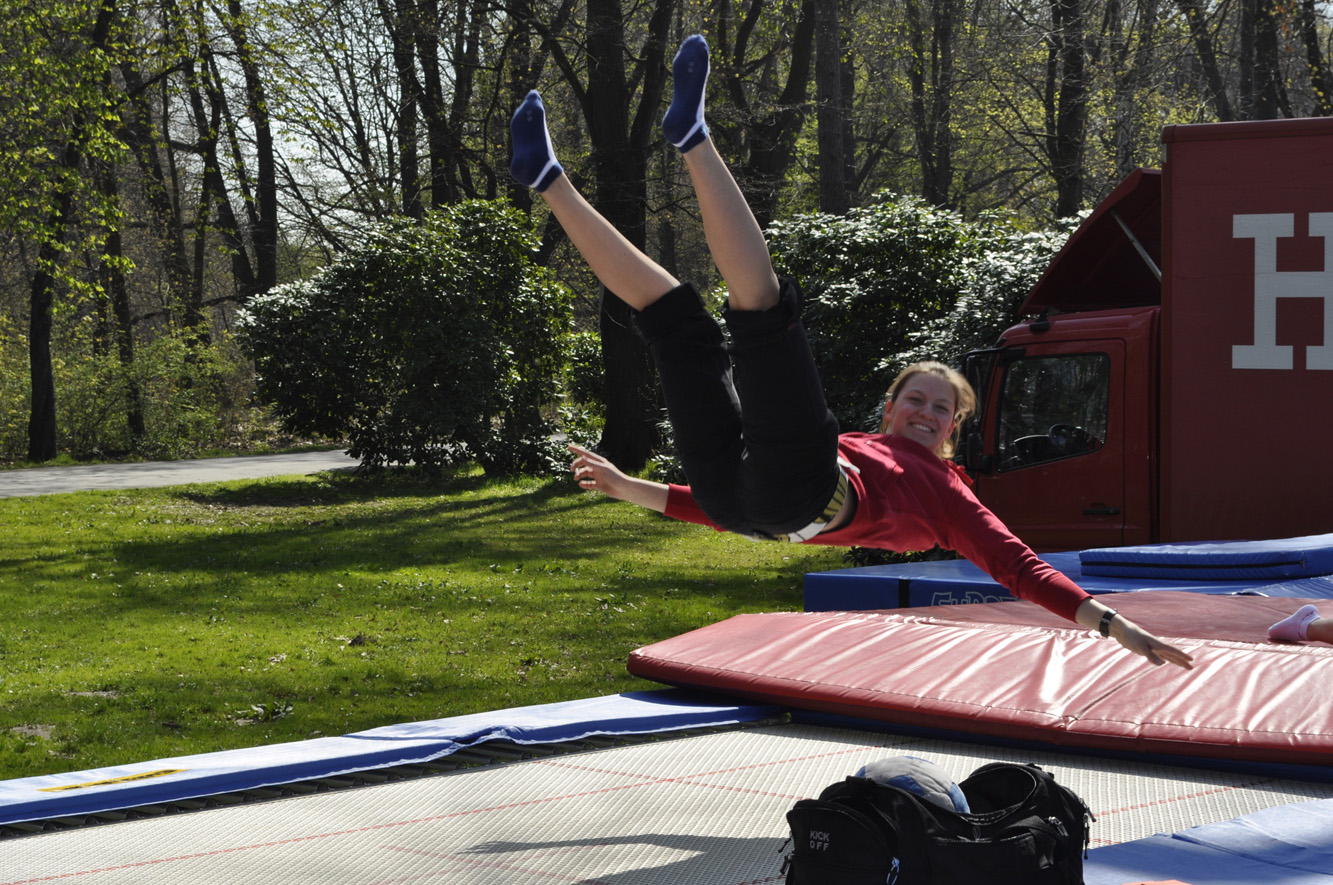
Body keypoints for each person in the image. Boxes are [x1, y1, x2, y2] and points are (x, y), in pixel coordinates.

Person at [510, 35, 1193, 670]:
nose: (926, 412)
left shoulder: (950, 496)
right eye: (916, 399)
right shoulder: (864, 445)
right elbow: (729, 501)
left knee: (765, 314)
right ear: (890, 408)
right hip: (742, 502)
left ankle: (693, 138)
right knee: (675, 319)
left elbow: (1018, 566)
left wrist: (1107, 622)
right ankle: (545, 177)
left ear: (955, 427)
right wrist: (630, 488)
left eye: (941, 408)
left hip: (797, 496)